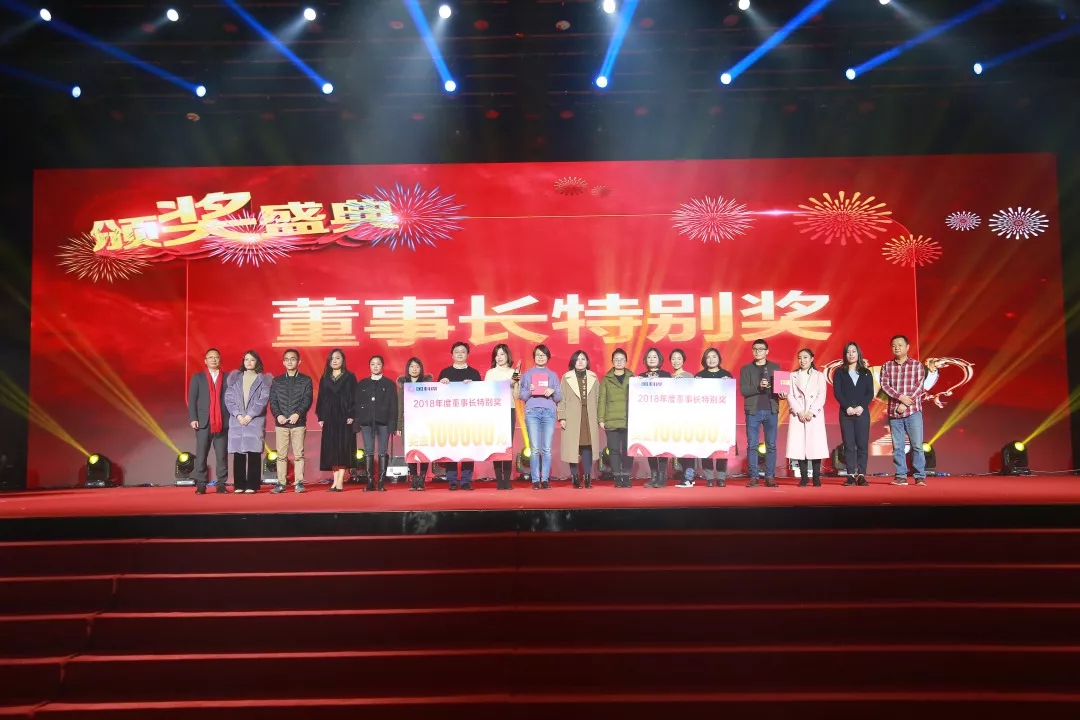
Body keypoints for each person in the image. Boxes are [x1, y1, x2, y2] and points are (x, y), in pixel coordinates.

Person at [879, 334, 930, 486]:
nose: (897, 348)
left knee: (917, 446)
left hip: (913, 411)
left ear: (907, 347)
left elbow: (919, 387)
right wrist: (900, 397)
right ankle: (901, 476)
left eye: (900, 345)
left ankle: (919, 476)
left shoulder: (917, 365)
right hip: (894, 412)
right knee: (898, 447)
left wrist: (906, 403)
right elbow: (885, 385)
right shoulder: (887, 366)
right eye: (894, 346)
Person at [224, 350, 272, 494]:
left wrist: (250, 415)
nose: (249, 362)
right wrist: (238, 415)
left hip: (254, 421)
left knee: (254, 453)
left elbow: (263, 400)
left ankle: (252, 485)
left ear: (257, 362)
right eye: (246, 359)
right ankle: (239, 485)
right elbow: (229, 399)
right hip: (237, 421)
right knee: (238, 454)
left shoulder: (263, 380)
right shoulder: (235, 379)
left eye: (252, 359)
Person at [438, 342, 482, 490]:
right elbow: (437, 396)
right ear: (452, 355)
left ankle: (466, 481)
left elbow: (481, 395)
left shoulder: (474, 373)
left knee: (468, 448)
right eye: (457, 351)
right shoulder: (445, 373)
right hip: (449, 418)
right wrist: (441, 384)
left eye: (463, 351)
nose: (460, 354)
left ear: (467, 354)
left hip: (469, 418)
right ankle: (451, 480)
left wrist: (473, 386)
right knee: (450, 448)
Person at [269, 348, 313, 494]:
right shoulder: (277, 381)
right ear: (283, 362)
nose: (290, 362)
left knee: (299, 455)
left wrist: (298, 414)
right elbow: (273, 401)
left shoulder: (306, 380)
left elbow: (307, 400)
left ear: (299, 361)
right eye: (287, 359)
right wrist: (278, 415)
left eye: (293, 359)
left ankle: (299, 482)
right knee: (281, 456)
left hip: (298, 423)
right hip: (281, 424)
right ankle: (281, 483)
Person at [784, 348, 829, 487]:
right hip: (798, 415)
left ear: (811, 359)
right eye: (800, 358)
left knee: (815, 447)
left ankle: (816, 477)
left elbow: (821, 395)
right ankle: (804, 477)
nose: (802, 360)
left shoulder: (819, 376)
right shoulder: (792, 376)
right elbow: (789, 395)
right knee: (800, 447)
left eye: (805, 357)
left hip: (813, 415)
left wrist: (811, 412)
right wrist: (799, 411)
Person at [188, 348, 230, 494]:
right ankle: (201, 484)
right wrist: (193, 418)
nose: (213, 359)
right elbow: (192, 400)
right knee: (201, 455)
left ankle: (221, 484)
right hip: (203, 422)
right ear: (205, 361)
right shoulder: (198, 378)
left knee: (222, 455)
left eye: (216, 357)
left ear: (220, 360)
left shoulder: (228, 377)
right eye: (210, 357)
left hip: (222, 421)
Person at [739, 339, 781, 488]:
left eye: (761, 349)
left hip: (771, 409)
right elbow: (744, 390)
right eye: (755, 349)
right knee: (752, 445)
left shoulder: (775, 367)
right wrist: (758, 387)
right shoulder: (746, 369)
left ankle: (769, 477)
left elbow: (780, 388)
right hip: (753, 411)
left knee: (771, 445)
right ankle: (754, 477)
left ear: (767, 351)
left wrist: (783, 393)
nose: (757, 351)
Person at [519, 344, 561, 490]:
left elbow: (559, 397)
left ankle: (545, 480)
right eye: (537, 355)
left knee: (547, 449)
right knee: (535, 449)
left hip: (549, 412)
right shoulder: (527, 374)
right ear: (534, 357)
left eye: (543, 355)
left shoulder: (553, 375)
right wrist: (530, 391)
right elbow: (522, 396)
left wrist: (552, 391)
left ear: (547, 357)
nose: (540, 357)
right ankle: (536, 480)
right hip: (532, 412)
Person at [833, 342, 873, 486]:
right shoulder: (839, 372)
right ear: (845, 355)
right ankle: (850, 474)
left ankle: (861, 474)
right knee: (849, 445)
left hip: (862, 413)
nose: (851, 354)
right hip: (846, 414)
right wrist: (847, 407)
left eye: (854, 351)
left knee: (862, 445)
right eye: (848, 352)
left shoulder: (866, 372)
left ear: (858, 353)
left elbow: (870, 393)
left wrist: (862, 407)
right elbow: (838, 393)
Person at [558, 350, 600, 489]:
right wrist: (562, 417)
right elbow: (562, 399)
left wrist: (600, 418)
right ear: (573, 362)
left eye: (583, 359)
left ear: (587, 361)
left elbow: (599, 399)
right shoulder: (566, 377)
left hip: (589, 416)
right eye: (577, 359)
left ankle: (587, 477)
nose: (580, 361)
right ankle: (575, 477)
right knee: (573, 447)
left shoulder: (593, 377)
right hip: (572, 416)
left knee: (588, 446)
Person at [355, 355, 398, 492]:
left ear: (382, 366)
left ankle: (381, 482)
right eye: (373, 364)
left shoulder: (389, 384)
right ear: (369, 366)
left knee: (382, 451)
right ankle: (370, 482)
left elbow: (394, 405)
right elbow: (357, 404)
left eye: (378, 364)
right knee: (368, 451)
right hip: (367, 423)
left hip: (384, 422)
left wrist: (393, 424)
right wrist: (357, 421)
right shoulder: (362, 384)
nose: (375, 366)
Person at [316, 349, 357, 492]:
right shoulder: (325, 377)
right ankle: (335, 481)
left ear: (343, 360)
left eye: (337, 358)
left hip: (344, 416)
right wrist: (321, 416)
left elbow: (354, 396)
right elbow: (321, 398)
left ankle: (340, 481)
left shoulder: (350, 377)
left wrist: (352, 414)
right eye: (332, 358)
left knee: (343, 448)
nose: (334, 361)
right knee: (332, 449)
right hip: (329, 417)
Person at [695, 348, 733, 487]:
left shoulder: (726, 375)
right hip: (704, 417)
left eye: (714, 356)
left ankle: (721, 477)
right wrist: (695, 384)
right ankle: (709, 478)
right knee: (706, 448)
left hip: (722, 417)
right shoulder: (699, 376)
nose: (711, 360)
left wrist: (728, 383)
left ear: (719, 359)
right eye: (708, 357)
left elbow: (730, 395)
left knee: (722, 447)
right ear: (704, 360)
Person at [484, 344, 520, 490]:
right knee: (497, 445)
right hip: (495, 411)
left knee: (507, 446)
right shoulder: (491, 373)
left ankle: (507, 479)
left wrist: (516, 383)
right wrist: (508, 382)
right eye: (497, 355)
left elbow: (516, 397)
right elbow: (488, 391)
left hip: (509, 410)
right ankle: (499, 479)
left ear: (507, 356)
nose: (499, 357)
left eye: (502, 354)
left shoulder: (513, 372)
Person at [397, 357, 432, 491]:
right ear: (408, 369)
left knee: (424, 451)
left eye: (417, 366)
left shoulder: (427, 385)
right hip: (408, 423)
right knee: (410, 451)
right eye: (412, 366)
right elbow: (400, 408)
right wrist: (399, 426)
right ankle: (413, 479)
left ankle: (421, 479)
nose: (414, 369)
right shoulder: (403, 386)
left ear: (421, 369)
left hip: (424, 423)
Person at [598, 348, 632, 488]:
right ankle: (617, 477)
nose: (619, 362)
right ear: (612, 361)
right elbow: (602, 399)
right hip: (611, 419)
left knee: (628, 450)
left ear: (626, 361)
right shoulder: (606, 379)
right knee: (614, 450)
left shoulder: (633, 378)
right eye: (616, 359)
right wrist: (601, 419)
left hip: (629, 419)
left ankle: (626, 477)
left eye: (621, 359)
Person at [640, 347, 673, 488]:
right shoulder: (641, 377)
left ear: (659, 359)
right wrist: (639, 383)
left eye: (654, 357)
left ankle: (662, 477)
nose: (652, 359)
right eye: (649, 357)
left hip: (663, 417)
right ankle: (653, 476)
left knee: (662, 447)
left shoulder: (666, 375)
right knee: (650, 447)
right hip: (647, 417)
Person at [670, 349, 698, 488]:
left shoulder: (689, 376)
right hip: (674, 418)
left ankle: (689, 478)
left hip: (687, 418)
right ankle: (685, 476)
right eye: (673, 359)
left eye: (679, 358)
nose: (676, 361)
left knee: (688, 450)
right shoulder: (668, 378)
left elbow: (693, 394)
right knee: (679, 450)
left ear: (683, 360)